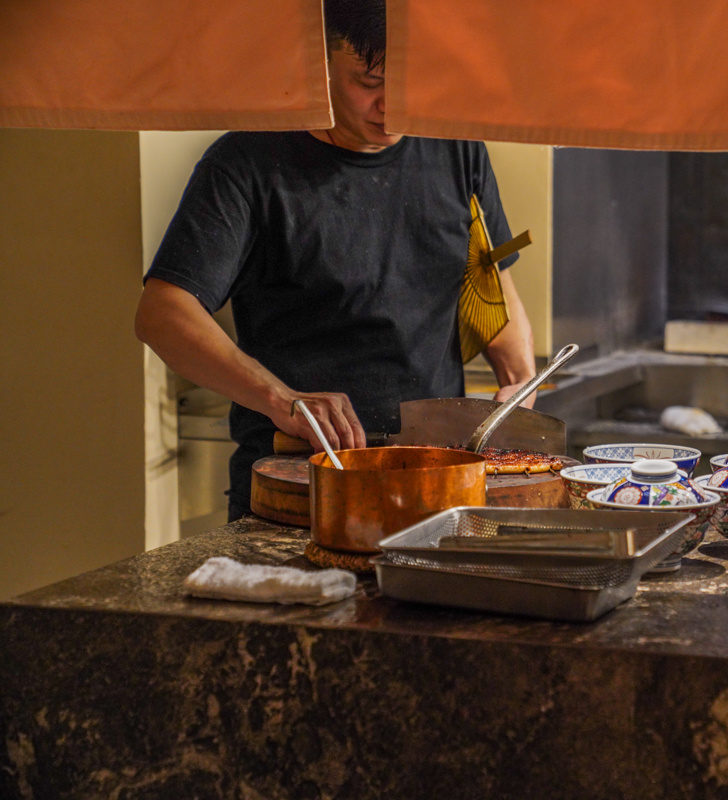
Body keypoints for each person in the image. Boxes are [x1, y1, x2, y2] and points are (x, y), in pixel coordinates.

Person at [135, 0, 537, 521]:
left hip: (436, 480)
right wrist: (285, 400)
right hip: (300, 480)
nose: (392, 103)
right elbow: (162, 314)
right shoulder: (246, 164)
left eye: (409, 79)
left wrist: (520, 376)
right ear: (318, 66)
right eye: (371, 80)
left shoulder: (456, 147)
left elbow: (488, 280)